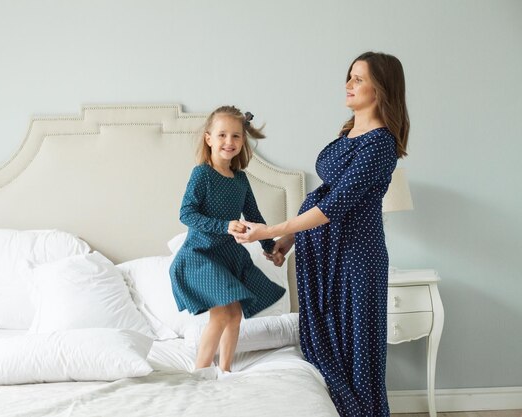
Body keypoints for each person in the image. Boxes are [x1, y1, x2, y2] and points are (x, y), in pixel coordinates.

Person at [234, 51, 409, 416]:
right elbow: (326, 194)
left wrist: (272, 228)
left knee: (355, 351)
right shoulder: (349, 132)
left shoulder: (380, 144)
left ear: (381, 87)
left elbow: (336, 204)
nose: (348, 85)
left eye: (358, 79)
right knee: (327, 345)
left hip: (355, 258)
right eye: (350, 76)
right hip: (322, 254)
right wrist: (290, 240)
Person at [169, 105, 286, 375]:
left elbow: (255, 216)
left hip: (228, 257)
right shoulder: (202, 174)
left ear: (242, 140)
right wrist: (224, 225)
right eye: (222, 135)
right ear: (208, 138)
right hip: (200, 256)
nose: (229, 142)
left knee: (234, 315)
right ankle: (200, 372)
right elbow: (186, 213)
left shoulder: (241, 180)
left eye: (235, 136)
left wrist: (271, 248)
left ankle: (225, 370)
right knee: (222, 314)